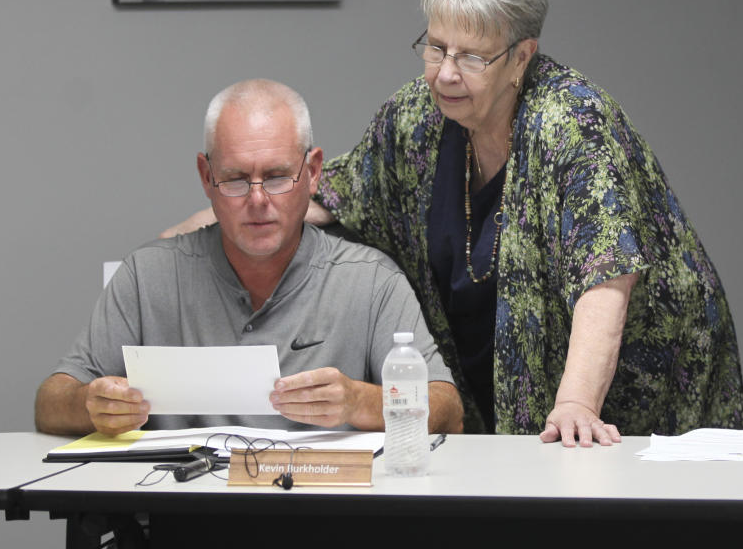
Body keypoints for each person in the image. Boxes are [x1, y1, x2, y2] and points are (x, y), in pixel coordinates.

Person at [162, 0, 743, 445]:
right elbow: (341, 194)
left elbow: (605, 281)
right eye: (436, 47)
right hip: (497, 376)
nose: (445, 72)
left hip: (638, 376)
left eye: (471, 56)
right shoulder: (416, 117)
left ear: (522, 56)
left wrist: (576, 405)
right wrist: (205, 228)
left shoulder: (573, 125)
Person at [35, 79, 463, 437]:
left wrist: (361, 401)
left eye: (277, 177)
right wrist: (91, 404)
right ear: (207, 177)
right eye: (237, 180)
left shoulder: (370, 281)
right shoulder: (149, 277)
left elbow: (448, 410)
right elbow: (50, 402)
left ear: (313, 172)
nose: (258, 201)